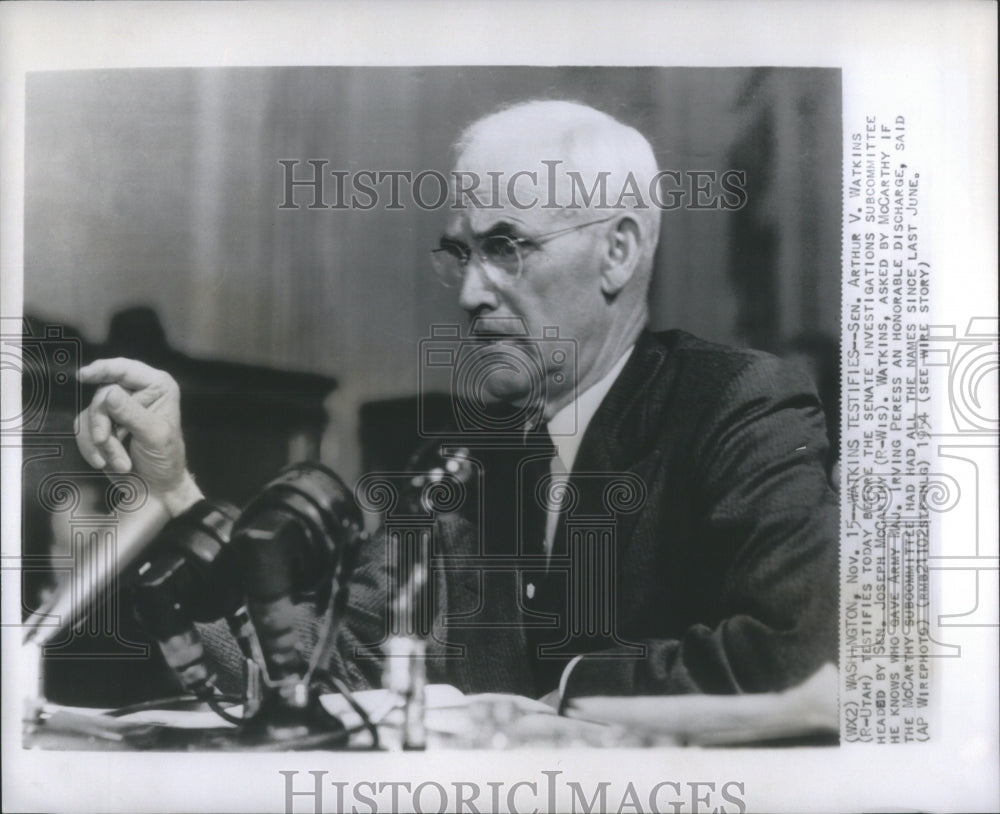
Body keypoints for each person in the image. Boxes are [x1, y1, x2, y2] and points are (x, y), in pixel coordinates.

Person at [75, 100, 838, 704]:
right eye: (462, 255)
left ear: (618, 251)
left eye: (508, 248)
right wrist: (172, 489)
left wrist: (552, 700)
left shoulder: (735, 406)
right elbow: (317, 670)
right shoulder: (465, 463)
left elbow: (800, 660)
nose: (472, 294)